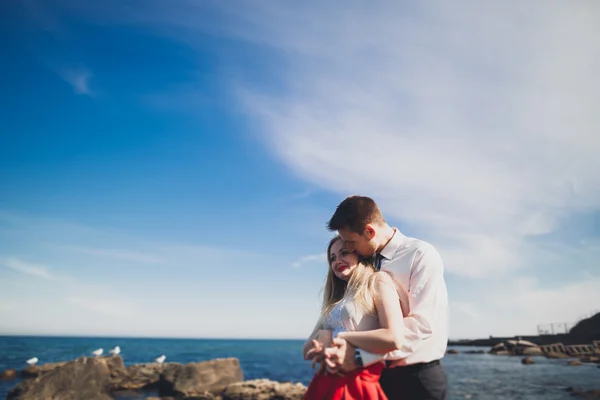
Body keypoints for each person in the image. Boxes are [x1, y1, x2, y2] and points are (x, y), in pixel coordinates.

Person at [324, 195, 449, 400]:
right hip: (376, 378)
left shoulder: (420, 254)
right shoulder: (365, 262)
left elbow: (423, 325)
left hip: (416, 380)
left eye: (351, 242)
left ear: (370, 231)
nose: (350, 249)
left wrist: (358, 355)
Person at [302, 235, 406, 400]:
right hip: (325, 381)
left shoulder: (377, 280)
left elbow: (393, 337)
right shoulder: (334, 300)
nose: (337, 261)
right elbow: (306, 350)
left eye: (344, 252)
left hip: (358, 383)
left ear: (360, 254)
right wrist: (324, 338)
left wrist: (343, 337)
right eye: (332, 258)